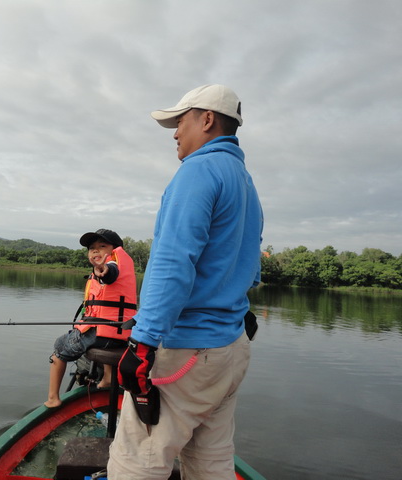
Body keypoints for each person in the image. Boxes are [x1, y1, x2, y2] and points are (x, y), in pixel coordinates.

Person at [107, 84, 264, 479]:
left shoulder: (197, 171)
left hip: (186, 351)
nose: (175, 133)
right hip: (230, 348)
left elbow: (173, 263)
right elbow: (251, 269)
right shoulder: (246, 183)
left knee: (137, 460)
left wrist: (142, 343)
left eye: (180, 122)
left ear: (207, 119)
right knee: (211, 459)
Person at [44, 229, 137, 408]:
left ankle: (53, 398)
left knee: (59, 347)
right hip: (122, 333)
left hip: (101, 334)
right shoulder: (125, 265)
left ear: (115, 250)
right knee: (100, 337)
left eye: (102, 246)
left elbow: (108, 273)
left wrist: (102, 269)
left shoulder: (112, 265)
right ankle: (108, 378)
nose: (96, 251)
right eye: (92, 248)